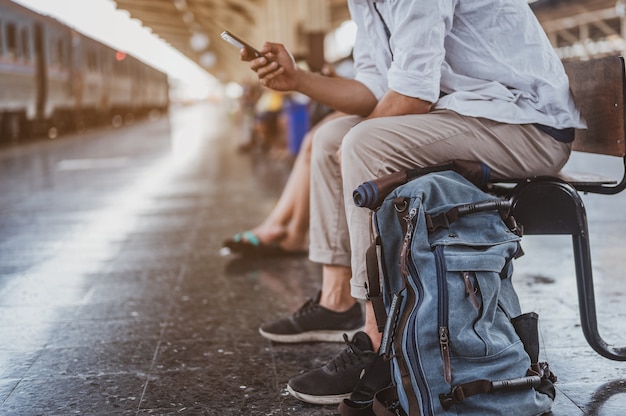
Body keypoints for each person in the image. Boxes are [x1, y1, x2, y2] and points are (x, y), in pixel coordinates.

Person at [242, 0, 585, 407]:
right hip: (473, 115)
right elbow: (374, 89)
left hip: (526, 126)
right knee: (331, 139)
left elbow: (412, 96)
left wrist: (360, 142)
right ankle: (336, 301)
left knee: (362, 143)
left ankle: (380, 342)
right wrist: (298, 78)